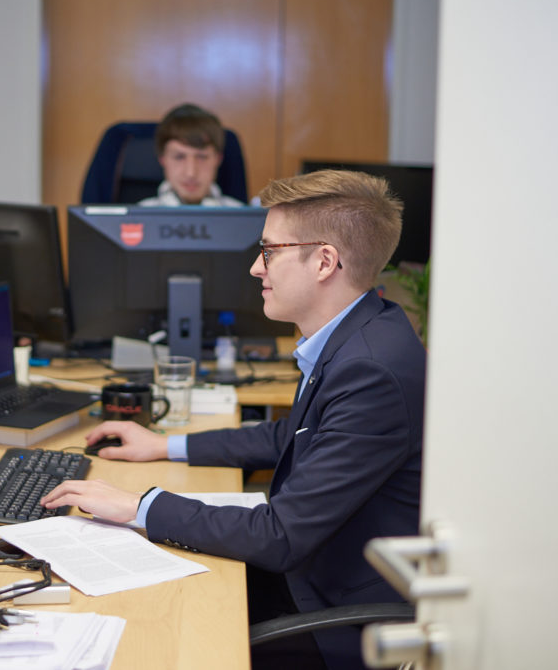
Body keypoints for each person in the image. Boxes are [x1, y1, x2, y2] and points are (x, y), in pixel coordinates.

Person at [43, 169, 426, 670]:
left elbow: (280, 535)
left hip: (334, 617)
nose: (255, 268)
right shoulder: (361, 332)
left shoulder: (370, 368)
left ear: (325, 262)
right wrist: (165, 446)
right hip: (311, 573)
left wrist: (139, 504)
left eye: (269, 252)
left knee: (152, 638)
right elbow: (291, 437)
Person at [138, 103, 246, 207]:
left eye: (202, 157)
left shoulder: (247, 220)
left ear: (218, 159)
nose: (191, 173)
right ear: (162, 159)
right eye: (179, 157)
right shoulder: (135, 216)